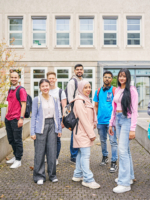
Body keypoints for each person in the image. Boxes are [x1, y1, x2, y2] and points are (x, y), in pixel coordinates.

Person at [109, 68, 138, 193]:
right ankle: (129, 177)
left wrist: (133, 129)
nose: (122, 78)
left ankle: (124, 183)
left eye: (124, 76)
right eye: (120, 76)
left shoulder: (132, 90)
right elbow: (114, 108)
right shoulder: (118, 90)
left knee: (122, 151)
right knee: (125, 150)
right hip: (118, 120)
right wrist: (111, 124)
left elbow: (135, 110)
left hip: (127, 120)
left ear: (128, 77)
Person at [31, 79, 62, 185]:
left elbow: (57, 114)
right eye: (43, 86)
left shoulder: (55, 99)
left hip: (52, 126)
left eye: (47, 86)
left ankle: (52, 175)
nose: (45, 88)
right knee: (39, 152)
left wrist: (59, 129)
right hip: (41, 127)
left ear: (50, 86)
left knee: (52, 152)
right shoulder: (37, 99)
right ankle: (39, 176)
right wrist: (32, 132)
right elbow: (33, 116)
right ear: (40, 88)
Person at [71, 80, 100, 189]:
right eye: (85, 87)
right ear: (80, 88)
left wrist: (94, 122)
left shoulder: (86, 100)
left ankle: (78, 174)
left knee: (80, 153)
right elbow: (83, 119)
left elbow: (90, 115)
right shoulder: (79, 101)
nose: (88, 89)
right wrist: (91, 134)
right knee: (86, 155)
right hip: (82, 132)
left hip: (84, 131)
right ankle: (88, 179)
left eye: (89, 87)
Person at [93, 71, 118, 173]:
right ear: (102, 78)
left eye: (109, 77)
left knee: (113, 142)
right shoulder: (98, 91)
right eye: (105, 77)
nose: (107, 79)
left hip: (111, 122)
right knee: (103, 141)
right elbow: (96, 106)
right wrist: (95, 119)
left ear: (111, 79)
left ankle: (114, 162)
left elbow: (117, 105)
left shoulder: (114, 90)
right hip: (100, 121)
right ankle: (105, 157)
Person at [5, 71, 27, 169]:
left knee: (17, 140)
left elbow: (24, 105)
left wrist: (21, 118)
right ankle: (15, 156)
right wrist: (6, 115)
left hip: (16, 118)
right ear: (10, 78)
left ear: (19, 78)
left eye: (15, 77)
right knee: (11, 139)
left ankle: (18, 159)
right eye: (12, 77)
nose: (13, 79)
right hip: (8, 118)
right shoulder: (10, 89)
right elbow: (8, 103)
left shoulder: (21, 90)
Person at [47, 72, 66, 165]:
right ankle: (49, 156)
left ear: (55, 80)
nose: (51, 80)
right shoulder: (44, 90)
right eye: (49, 78)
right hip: (47, 118)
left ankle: (55, 158)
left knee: (57, 139)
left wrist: (63, 120)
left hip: (57, 118)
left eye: (53, 78)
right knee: (47, 138)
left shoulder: (60, 91)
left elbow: (64, 107)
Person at [67, 64, 84, 163]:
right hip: (75, 111)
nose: (79, 71)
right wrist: (74, 112)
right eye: (77, 69)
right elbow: (70, 99)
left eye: (81, 69)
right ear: (74, 71)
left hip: (82, 110)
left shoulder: (82, 81)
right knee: (75, 132)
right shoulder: (72, 82)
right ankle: (73, 156)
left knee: (79, 132)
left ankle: (78, 153)